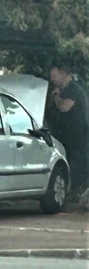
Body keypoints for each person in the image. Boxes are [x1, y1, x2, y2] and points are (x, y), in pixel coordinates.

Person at [49, 64, 88, 200]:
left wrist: (56, 97)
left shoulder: (73, 89)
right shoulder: (64, 90)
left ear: (63, 74)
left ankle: (76, 191)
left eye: (54, 76)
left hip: (78, 137)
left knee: (76, 165)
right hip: (66, 136)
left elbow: (64, 107)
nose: (52, 79)